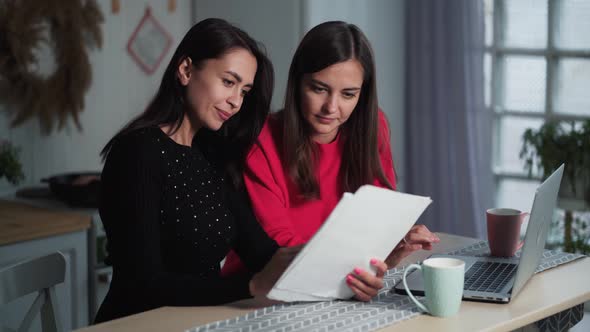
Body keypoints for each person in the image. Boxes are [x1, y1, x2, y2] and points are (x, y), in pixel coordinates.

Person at [95, 18, 387, 323]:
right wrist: (251, 285)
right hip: (132, 325)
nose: (236, 101)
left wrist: (348, 276)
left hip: (195, 323)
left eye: (245, 91)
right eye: (228, 82)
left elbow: (264, 255)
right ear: (185, 70)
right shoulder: (137, 152)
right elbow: (145, 284)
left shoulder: (210, 156)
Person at [222, 21, 439, 279]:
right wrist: (355, 272)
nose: (331, 108)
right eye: (319, 89)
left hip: (335, 284)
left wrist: (392, 246)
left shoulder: (374, 127)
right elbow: (281, 249)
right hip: (258, 290)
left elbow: (375, 223)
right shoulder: (262, 139)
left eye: (348, 94)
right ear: (297, 84)